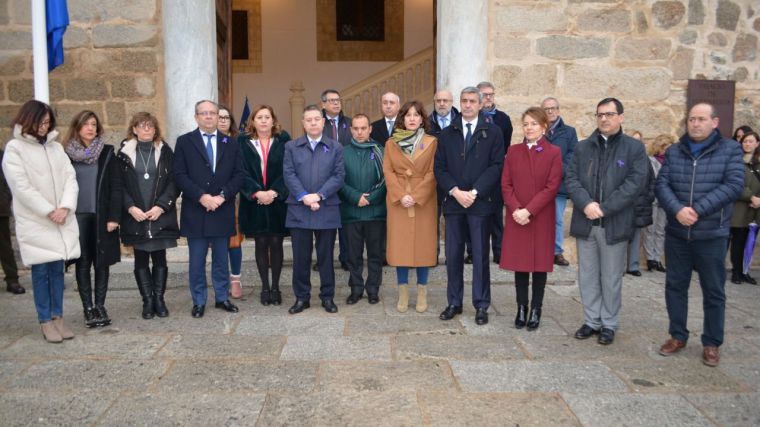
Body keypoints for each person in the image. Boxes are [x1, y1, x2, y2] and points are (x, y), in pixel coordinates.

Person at [655, 103, 744, 367]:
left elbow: (733, 184)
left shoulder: (729, 149)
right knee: (675, 286)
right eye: (692, 119)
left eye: (701, 119)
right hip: (678, 232)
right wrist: (677, 210)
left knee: (714, 290)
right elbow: (662, 184)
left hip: (711, 233)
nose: (695, 124)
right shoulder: (675, 151)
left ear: (714, 122)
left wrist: (697, 210)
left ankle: (712, 342)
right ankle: (677, 335)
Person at [566, 97, 648, 346]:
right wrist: (586, 204)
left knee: (611, 278)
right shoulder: (582, 147)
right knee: (588, 276)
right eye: (600, 114)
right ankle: (591, 320)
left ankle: (609, 323)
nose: (604, 119)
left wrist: (604, 208)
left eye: (609, 114)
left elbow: (635, 184)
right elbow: (570, 179)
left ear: (621, 117)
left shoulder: (633, 149)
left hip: (614, 223)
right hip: (586, 222)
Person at [3, 100, 80, 343]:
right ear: (28, 120)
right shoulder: (15, 149)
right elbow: (21, 187)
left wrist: (65, 206)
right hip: (38, 220)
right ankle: (45, 319)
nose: (44, 127)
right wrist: (49, 211)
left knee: (58, 270)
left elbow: (70, 178)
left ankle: (58, 317)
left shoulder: (56, 148)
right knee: (41, 271)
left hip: (61, 218)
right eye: (40, 122)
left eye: (48, 123)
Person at [435, 87, 504, 324]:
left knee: (480, 256)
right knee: (453, 255)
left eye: (472, 101)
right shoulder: (447, 133)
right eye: (464, 101)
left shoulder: (493, 132)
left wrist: (474, 192)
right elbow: (440, 168)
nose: (467, 105)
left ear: (481, 103)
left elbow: (496, 166)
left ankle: (481, 304)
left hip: (480, 204)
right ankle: (454, 302)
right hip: (454, 204)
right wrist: (455, 191)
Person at [174, 100, 245, 318]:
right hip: (196, 210)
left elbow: (239, 174)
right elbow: (179, 175)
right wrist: (202, 196)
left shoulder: (231, 143)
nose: (208, 117)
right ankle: (198, 300)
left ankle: (222, 298)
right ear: (196, 117)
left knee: (222, 260)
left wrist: (222, 196)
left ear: (218, 116)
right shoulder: (185, 142)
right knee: (197, 260)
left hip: (221, 210)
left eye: (212, 113)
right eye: (203, 113)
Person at [500, 107, 562, 330]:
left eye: (534, 124)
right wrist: (516, 208)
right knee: (521, 264)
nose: (529, 128)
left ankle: (536, 308)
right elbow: (506, 184)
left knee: (539, 265)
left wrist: (529, 210)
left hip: (541, 216)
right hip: (518, 216)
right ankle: (521, 307)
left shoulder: (554, 152)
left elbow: (552, 186)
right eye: (526, 124)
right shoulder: (513, 151)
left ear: (543, 126)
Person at [116, 112, 179, 320]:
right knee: (141, 257)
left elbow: (174, 182)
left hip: (158, 214)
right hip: (136, 215)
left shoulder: (165, 151)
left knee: (160, 257)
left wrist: (162, 206)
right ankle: (147, 300)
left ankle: (159, 299)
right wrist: (130, 207)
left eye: (150, 126)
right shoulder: (123, 154)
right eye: (142, 126)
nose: (147, 130)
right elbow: (118, 185)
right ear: (134, 129)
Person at [284, 104, 345, 314]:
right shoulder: (292, 146)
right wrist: (304, 197)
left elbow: (339, 176)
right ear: (303, 123)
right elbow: (289, 174)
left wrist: (318, 195)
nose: (313, 123)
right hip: (299, 210)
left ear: (323, 122)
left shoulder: (335, 147)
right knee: (300, 258)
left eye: (316, 119)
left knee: (326, 257)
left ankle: (327, 297)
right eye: (308, 120)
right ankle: (302, 297)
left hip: (326, 208)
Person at [64, 110, 121, 327]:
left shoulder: (106, 153)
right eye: (86, 124)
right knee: (83, 261)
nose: (90, 128)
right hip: (77, 216)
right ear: (77, 127)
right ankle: (87, 307)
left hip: (102, 216)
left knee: (102, 262)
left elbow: (116, 186)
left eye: (94, 125)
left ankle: (100, 305)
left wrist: (114, 216)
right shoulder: (66, 154)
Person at [384, 100, 438, 313]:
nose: (412, 118)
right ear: (402, 119)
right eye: (408, 115)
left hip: (424, 200)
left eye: (416, 115)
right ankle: (403, 292)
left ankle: (422, 292)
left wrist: (416, 195)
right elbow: (387, 171)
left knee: (423, 246)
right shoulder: (390, 143)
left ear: (422, 118)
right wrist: (400, 195)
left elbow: (434, 172)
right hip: (398, 201)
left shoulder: (432, 142)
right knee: (401, 246)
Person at [239, 105, 291, 306]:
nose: (263, 120)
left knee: (277, 244)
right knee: (260, 244)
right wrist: (256, 192)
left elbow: (288, 169)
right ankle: (264, 287)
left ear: (273, 120)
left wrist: (274, 192)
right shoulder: (242, 142)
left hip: (277, 201)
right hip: (254, 202)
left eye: (267, 117)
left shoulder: (284, 140)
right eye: (259, 117)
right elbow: (240, 170)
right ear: (253, 121)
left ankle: (276, 287)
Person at [340, 114, 387, 304]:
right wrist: (355, 197)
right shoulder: (342, 152)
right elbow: (338, 180)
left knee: (375, 254)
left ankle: (373, 289)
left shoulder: (380, 151)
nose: (360, 132)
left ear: (370, 129)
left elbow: (386, 180)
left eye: (363, 128)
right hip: (351, 213)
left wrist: (371, 198)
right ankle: (356, 289)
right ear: (351, 130)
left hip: (375, 212)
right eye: (356, 128)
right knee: (353, 255)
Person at [473, 81, 512, 264]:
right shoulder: (472, 118)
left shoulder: (503, 119)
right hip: (475, 173)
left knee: (496, 215)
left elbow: (506, 146)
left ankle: (499, 251)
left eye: (491, 94)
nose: (488, 98)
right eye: (484, 94)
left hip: (496, 172)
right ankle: (473, 253)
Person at [541, 97, 578, 267]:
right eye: (547, 109)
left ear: (558, 110)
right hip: (539, 184)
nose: (550, 111)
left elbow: (572, 158)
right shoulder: (537, 129)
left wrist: (553, 168)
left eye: (553, 108)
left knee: (556, 218)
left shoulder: (569, 132)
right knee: (539, 218)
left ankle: (556, 252)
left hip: (559, 185)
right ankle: (540, 250)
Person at [320, 89, 350, 271]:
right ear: (323, 104)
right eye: (331, 101)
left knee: (345, 222)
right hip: (323, 180)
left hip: (346, 178)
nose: (336, 103)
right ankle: (324, 260)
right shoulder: (318, 123)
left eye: (338, 100)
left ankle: (346, 257)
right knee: (324, 225)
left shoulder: (349, 123)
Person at [218, 105, 245, 299]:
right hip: (210, 199)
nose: (223, 121)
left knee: (234, 241)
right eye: (220, 117)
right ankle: (220, 279)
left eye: (227, 117)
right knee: (218, 242)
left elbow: (241, 171)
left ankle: (235, 278)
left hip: (233, 197)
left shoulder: (237, 142)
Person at [729, 131, 760, 285]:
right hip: (740, 209)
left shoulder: (758, 163)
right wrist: (751, 197)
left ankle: (745, 271)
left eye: (751, 141)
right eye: (745, 141)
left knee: (750, 242)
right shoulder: (735, 161)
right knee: (738, 242)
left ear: (757, 143)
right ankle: (736, 272)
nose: (747, 144)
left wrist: (759, 200)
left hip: (756, 210)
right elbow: (734, 183)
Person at [642, 135, 674, 273]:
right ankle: (650, 259)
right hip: (653, 200)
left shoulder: (672, 163)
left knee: (661, 231)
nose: (667, 151)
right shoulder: (651, 161)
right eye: (665, 148)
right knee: (650, 229)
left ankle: (657, 259)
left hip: (665, 201)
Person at [625, 130, 654, 276]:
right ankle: (620, 266)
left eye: (639, 140)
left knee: (636, 236)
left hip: (640, 202)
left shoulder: (645, 160)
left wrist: (649, 197)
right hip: (625, 203)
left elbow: (651, 181)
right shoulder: (622, 157)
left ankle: (633, 266)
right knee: (621, 236)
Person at [0, 149, 23, 295]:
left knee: (4, 246)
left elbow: (9, 179)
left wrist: (5, 197)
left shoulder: (2, 155)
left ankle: (12, 279)